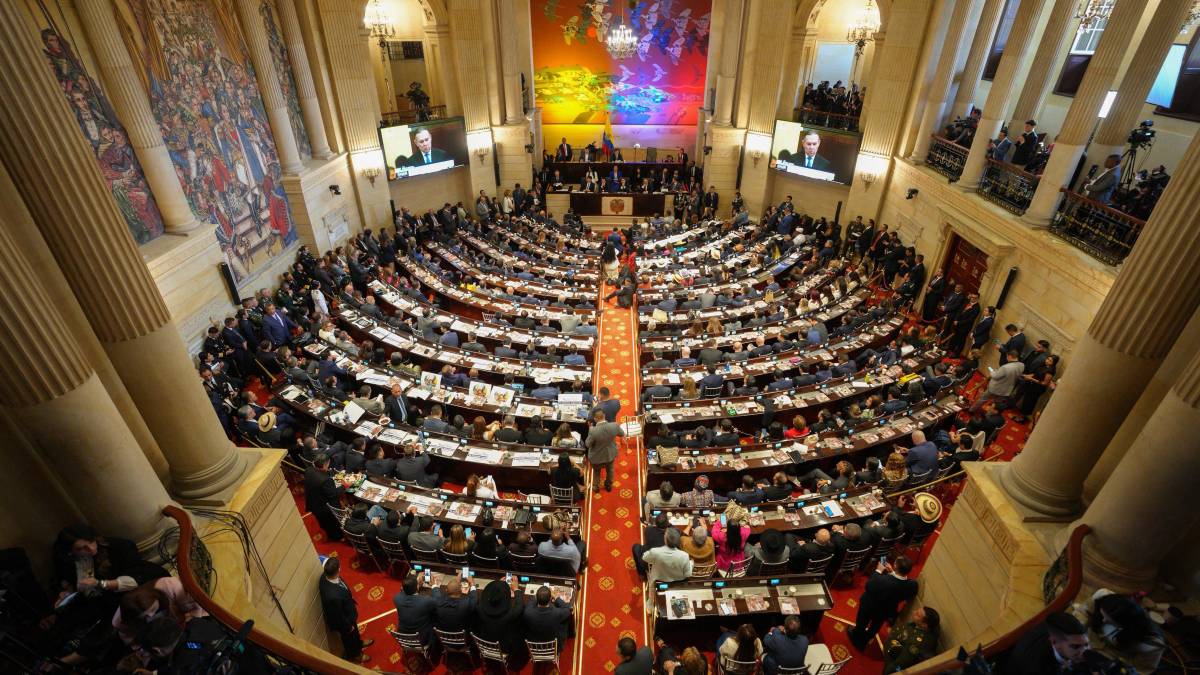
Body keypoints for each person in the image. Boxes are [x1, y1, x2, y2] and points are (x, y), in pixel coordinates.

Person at [849, 555, 919, 650]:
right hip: (886, 610)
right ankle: (866, 640)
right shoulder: (912, 585)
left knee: (862, 622)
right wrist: (892, 572)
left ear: (895, 565)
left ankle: (856, 636)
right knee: (875, 626)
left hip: (869, 606)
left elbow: (868, 586)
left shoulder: (881, 580)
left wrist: (878, 570)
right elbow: (900, 585)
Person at [1085, 590, 1166, 673]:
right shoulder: (1107, 602)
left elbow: (1140, 670)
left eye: (1109, 621)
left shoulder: (1151, 646)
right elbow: (1085, 613)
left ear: (1125, 624)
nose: (1103, 620)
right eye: (1103, 616)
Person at [997, 611, 1090, 675]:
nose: (1085, 651)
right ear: (1054, 642)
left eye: (1086, 644)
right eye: (1075, 647)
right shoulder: (1036, 667)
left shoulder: (1056, 631)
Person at [319, 557, 371, 662]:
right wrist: (348, 627)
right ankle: (356, 655)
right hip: (345, 623)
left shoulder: (326, 576)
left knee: (355, 634)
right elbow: (338, 616)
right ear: (338, 569)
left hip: (348, 613)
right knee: (349, 639)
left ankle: (359, 643)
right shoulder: (332, 597)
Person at [474, 575, 524, 654]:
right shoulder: (510, 614)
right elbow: (520, 605)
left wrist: (499, 585)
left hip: (485, 644)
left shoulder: (480, 609)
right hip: (503, 647)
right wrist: (516, 589)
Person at [883, 606, 940, 672]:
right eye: (916, 610)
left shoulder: (916, 643)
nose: (913, 612)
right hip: (891, 657)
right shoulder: (917, 625)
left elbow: (901, 663)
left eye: (917, 614)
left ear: (924, 625)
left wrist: (888, 671)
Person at [304, 454, 343, 541]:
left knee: (323, 522)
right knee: (332, 524)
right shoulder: (326, 480)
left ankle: (330, 534)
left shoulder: (309, 470)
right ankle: (337, 537)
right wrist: (345, 486)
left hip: (312, 503)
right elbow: (334, 494)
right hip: (324, 507)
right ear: (325, 464)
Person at [585, 408, 625, 492]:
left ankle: (596, 486)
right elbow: (622, 434)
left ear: (595, 419)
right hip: (610, 455)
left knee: (596, 472)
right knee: (610, 470)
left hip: (596, 458)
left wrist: (590, 429)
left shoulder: (592, 430)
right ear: (604, 415)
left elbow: (587, 444)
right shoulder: (614, 425)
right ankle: (608, 485)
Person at [522, 585, 572, 650]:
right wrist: (556, 597)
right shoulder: (557, 613)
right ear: (550, 599)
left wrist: (539, 595)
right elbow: (568, 609)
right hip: (553, 646)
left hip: (535, 646)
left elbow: (530, 602)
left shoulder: (528, 612)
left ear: (536, 597)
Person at [393, 572, 437, 645]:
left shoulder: (396, 598)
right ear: (417, 587)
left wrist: (416, 584)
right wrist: (434, 585)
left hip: (404, 637)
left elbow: (403, 591)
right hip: (422, 639)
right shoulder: (426, 601)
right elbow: (437, 601)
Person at [711, 503, 751, 573]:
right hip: (738, 563)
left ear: (728, 529)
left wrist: (720, 522)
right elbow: (748, 528)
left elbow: (714, 531)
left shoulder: (721, 536)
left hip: (723, 564)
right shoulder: (744, 533)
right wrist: (744, 527)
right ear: (739, 528)